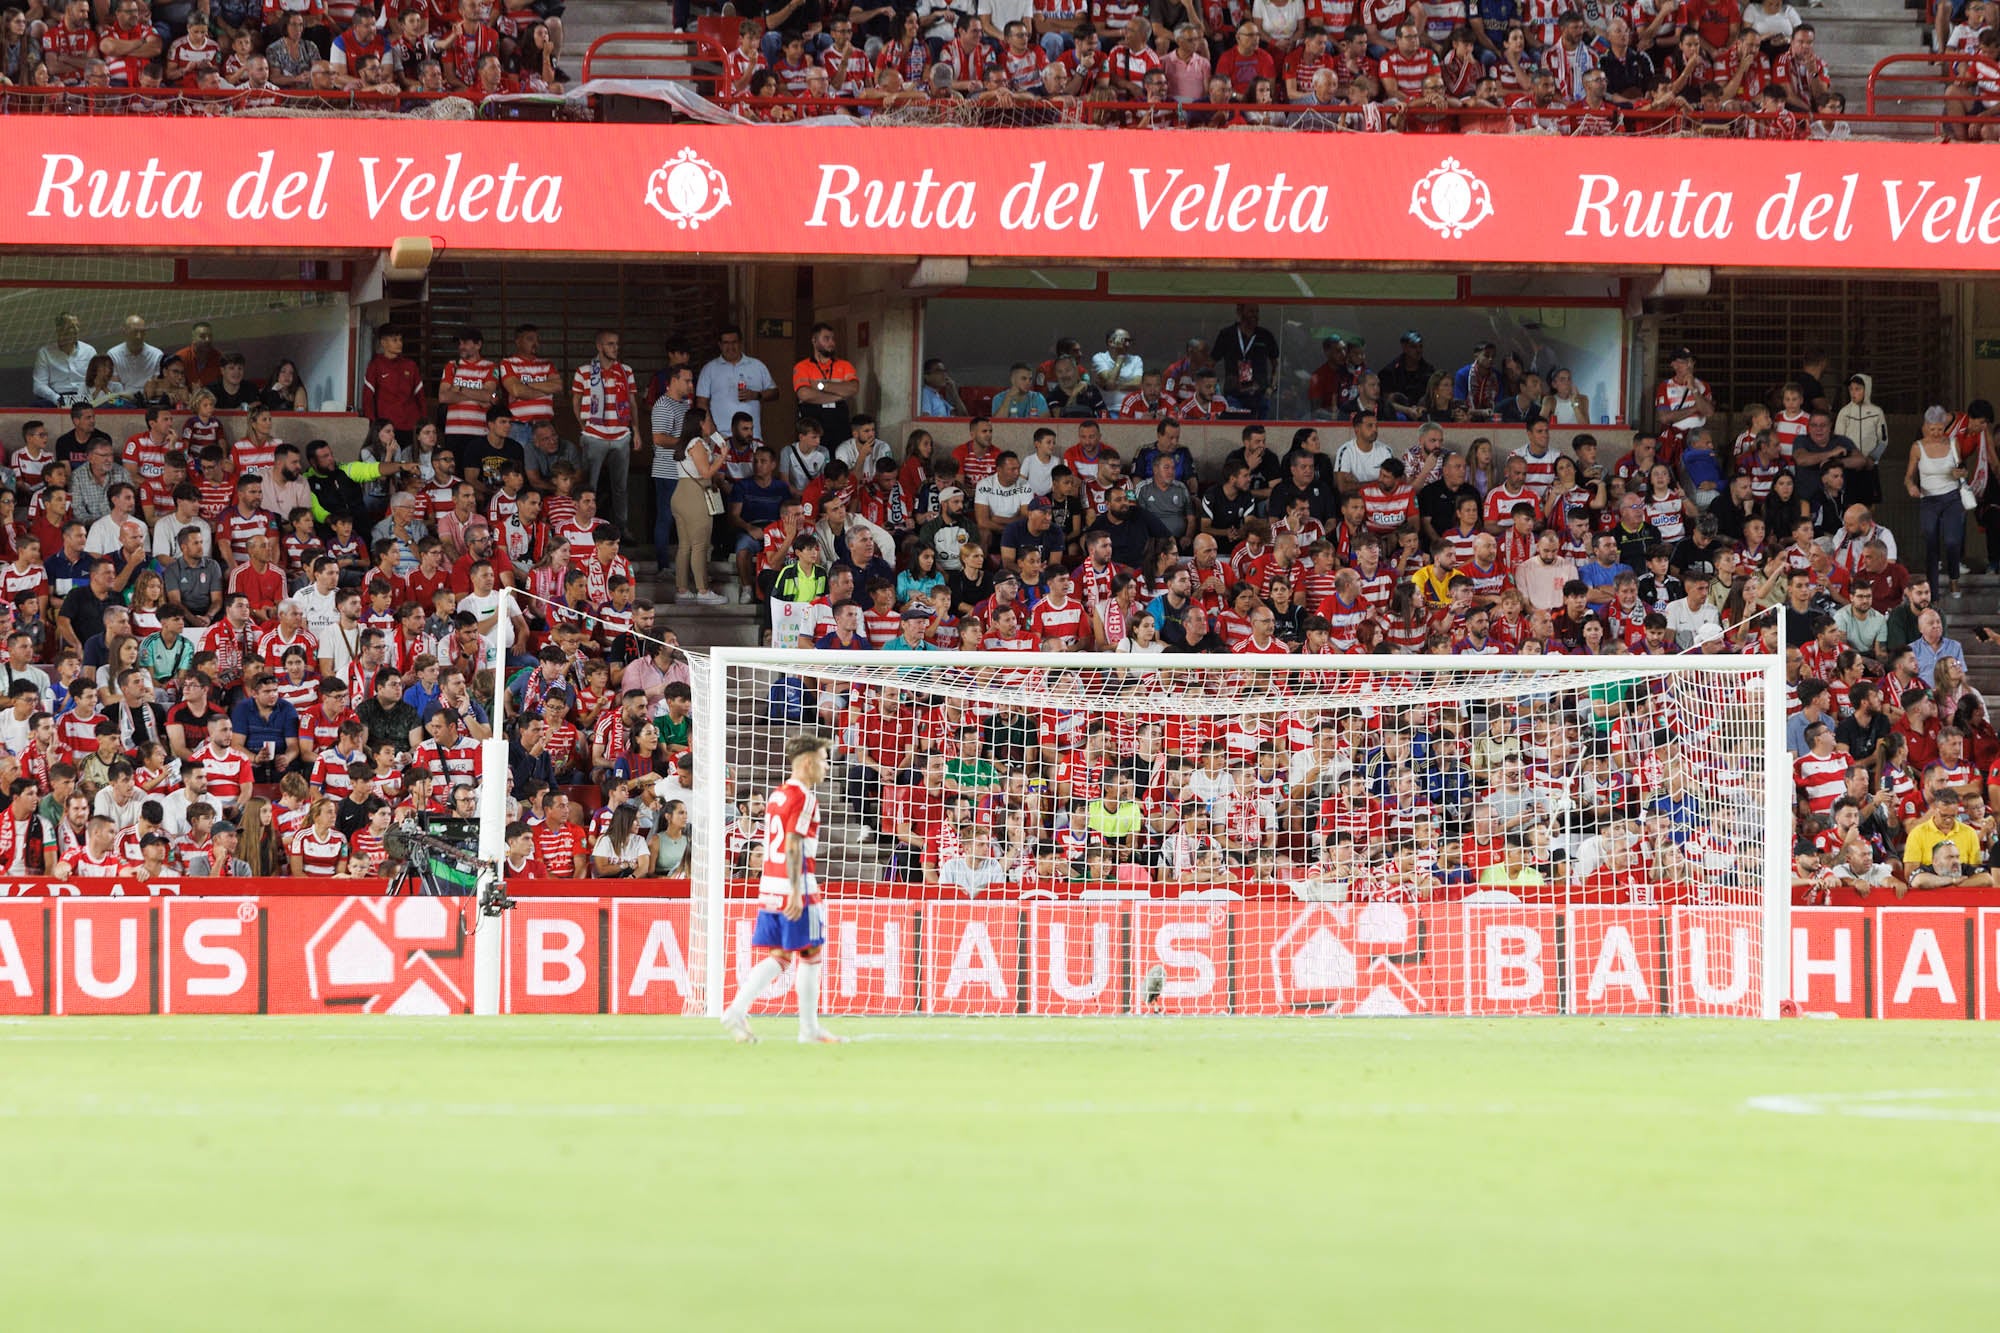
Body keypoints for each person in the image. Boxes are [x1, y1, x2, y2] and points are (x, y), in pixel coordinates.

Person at [720, 732, 843, 1044]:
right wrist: (795, 891)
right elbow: (792, 846)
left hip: (768, 885)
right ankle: (809, 1030)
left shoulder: (777, 794)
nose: (826, 768)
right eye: (823, 761)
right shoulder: (804, 797)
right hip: (795, 885)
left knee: (780, 955)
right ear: (806, 763)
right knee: (811, 954)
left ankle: (736, 1010)